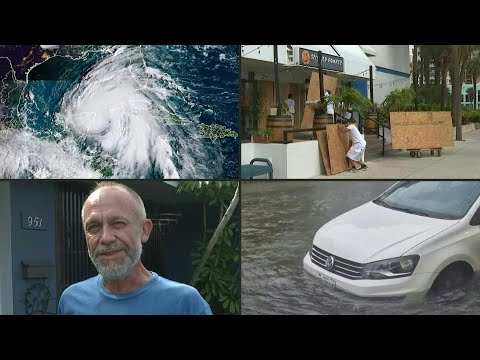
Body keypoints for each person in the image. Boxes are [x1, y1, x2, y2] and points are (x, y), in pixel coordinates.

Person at [57, 181, 212, 315]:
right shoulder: (70, 300)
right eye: (94, 227)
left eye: (118, 224)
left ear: (144, 231)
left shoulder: (186, 303)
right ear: (85, 236)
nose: (105, 238)